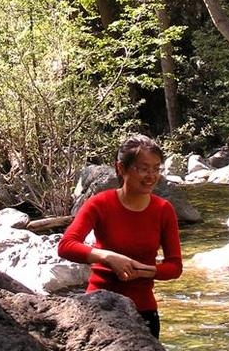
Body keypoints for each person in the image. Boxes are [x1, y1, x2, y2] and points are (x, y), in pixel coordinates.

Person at [57, 135, 182, 338]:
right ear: (121, 168)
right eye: (143, 169)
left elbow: (174, 267)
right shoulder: (99, 204)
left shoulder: (163, 210)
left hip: (143, 310)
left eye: (156, 169)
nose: (151, 176)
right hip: (99, 306)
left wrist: (144, 271)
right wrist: (108, 257)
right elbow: (66, 245)